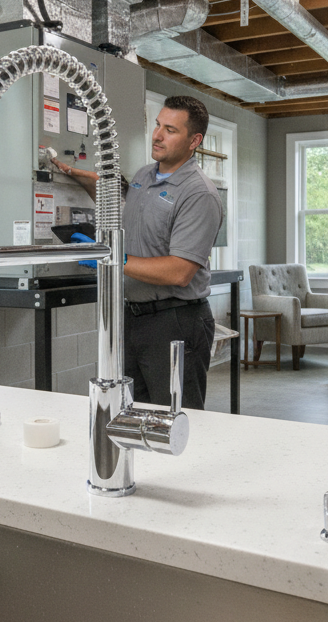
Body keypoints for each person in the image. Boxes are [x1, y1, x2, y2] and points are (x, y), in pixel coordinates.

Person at [52, 95, 223, 409]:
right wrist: (79, 177)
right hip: (132, 318)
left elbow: (180, 272)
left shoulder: (199, 194)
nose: (157, 135)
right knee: (133, 414)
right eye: (158, 125)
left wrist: (112, 258)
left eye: (170, 130)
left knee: (174, 417)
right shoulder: (145, 176)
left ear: (194, 141)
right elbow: (125, 208)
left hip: (175, 321)